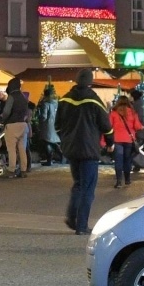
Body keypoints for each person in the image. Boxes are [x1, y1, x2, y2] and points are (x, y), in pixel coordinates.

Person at [56, 68, 111, 234]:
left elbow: (57, 125)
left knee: (78, 184)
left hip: (72, 149)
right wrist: (110, 142)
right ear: (90, 82)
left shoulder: (65, 99)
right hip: (89, 150)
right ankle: (81, 226)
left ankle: (72, 217)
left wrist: (65, 139)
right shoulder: (94, 100)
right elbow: (106, 125)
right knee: (87, 188)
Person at [109, 92, 144, 188]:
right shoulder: (132, 112)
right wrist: (142, 127)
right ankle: (127, 180)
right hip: (129, 140)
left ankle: (119, 182)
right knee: (127, 160)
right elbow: (137, 126)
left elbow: (109, 126)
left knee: (118, 160)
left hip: (117, 140)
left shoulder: (114, 113)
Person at [1, 77, 31, 177]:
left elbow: (6, 112)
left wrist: (3, 119)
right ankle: (23, 170)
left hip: (12, 125)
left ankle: (11, 170)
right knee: (22, 149)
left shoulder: (12, 96)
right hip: (23, 125)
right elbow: (27, 111)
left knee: (12, 149)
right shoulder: (23, 97)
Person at [35, 83, 60, 166]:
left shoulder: (45, 104)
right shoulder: (56, 103)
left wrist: (39, 117)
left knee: (47, 142)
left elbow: (44, 116)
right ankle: (62, 156)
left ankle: (49, 160)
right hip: (54, 124)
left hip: (47, 126)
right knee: (53, 142)